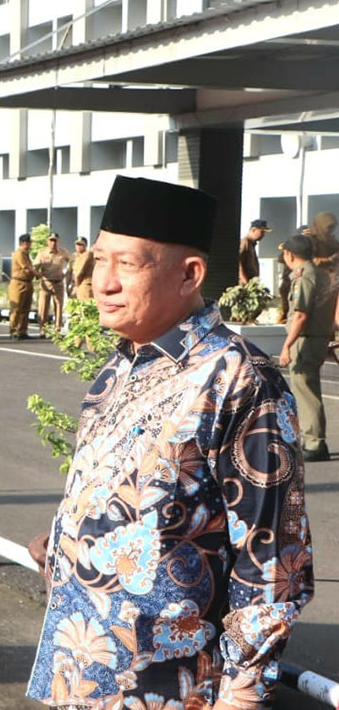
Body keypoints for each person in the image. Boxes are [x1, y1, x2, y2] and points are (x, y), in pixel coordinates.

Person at [27, 176, 313, 709]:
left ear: (189, 274)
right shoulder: (121, 364)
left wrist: (240, 697)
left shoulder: (241, 379)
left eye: (127, 264)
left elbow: (273, 562)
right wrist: (71, 536)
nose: (102, 282)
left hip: (169, 690)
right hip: (81, 674)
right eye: (100, 260)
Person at [280, 234, 333, 463]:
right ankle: (313, 438)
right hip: (318, 337)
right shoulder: (322, 275)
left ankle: (314, 442)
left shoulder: (304, 277)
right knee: (309, 389)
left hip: (306, 339)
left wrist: (286, 346)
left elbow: (301, 314)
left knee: (305, 391)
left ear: (290, 254)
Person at [34, 233, 71, 331]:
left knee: (58, 306)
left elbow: (71, 261)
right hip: (46, 282)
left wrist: (66, 273)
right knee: (43, 306)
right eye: (51, 240)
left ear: (58, 241)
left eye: (55, 241)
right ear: (48, 241)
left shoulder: (62, 252)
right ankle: (43, 329)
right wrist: (38, 275)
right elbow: (35, 267)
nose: (53, 243)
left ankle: (57, 328)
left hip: (58, 282)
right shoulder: (42, 253)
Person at [8, 233, 35, 340]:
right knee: (16, 308)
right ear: (23, 243)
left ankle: (22, 330)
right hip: (18, 283)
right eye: (28, 243)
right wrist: (39, 275)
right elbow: (27, 268)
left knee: (26, 308)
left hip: (27, 282)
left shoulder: (26, 254)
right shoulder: (19, 253)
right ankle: (13, 330)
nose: (29, 245)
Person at [238, 219, 271, 285]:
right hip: (245, 285)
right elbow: (238, 262)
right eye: (262, 232)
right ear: (253, 230)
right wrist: (245, 280)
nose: (263, 235)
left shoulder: (251, 244)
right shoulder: (245, 242)